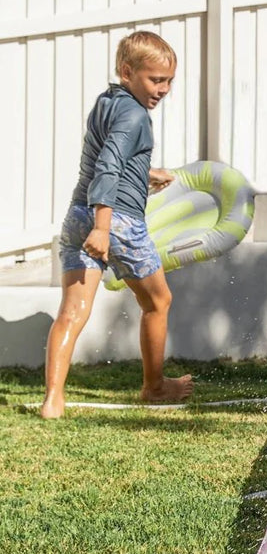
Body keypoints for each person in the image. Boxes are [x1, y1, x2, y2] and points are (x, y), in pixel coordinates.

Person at [40, 30, 193, 418]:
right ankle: (155, 388)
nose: (164, 89)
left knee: (72, 311)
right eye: (156, 80)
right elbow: (108, 167)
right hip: (116, 222)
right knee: (158, 301)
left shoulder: (107, 102)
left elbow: (105, 159)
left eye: (169, 80)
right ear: (127, 71)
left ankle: (53, 401)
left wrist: (145, 174)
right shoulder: (136, 114)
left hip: (78, 215)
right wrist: (104, 227)